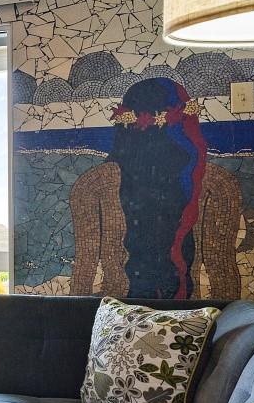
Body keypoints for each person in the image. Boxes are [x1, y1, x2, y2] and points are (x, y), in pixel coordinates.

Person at [69, 77, 241, 298]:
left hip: (118, 314)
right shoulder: (215, 181)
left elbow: (83, 271)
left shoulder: (95, 182)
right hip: (179, 312)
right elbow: (222, 272)